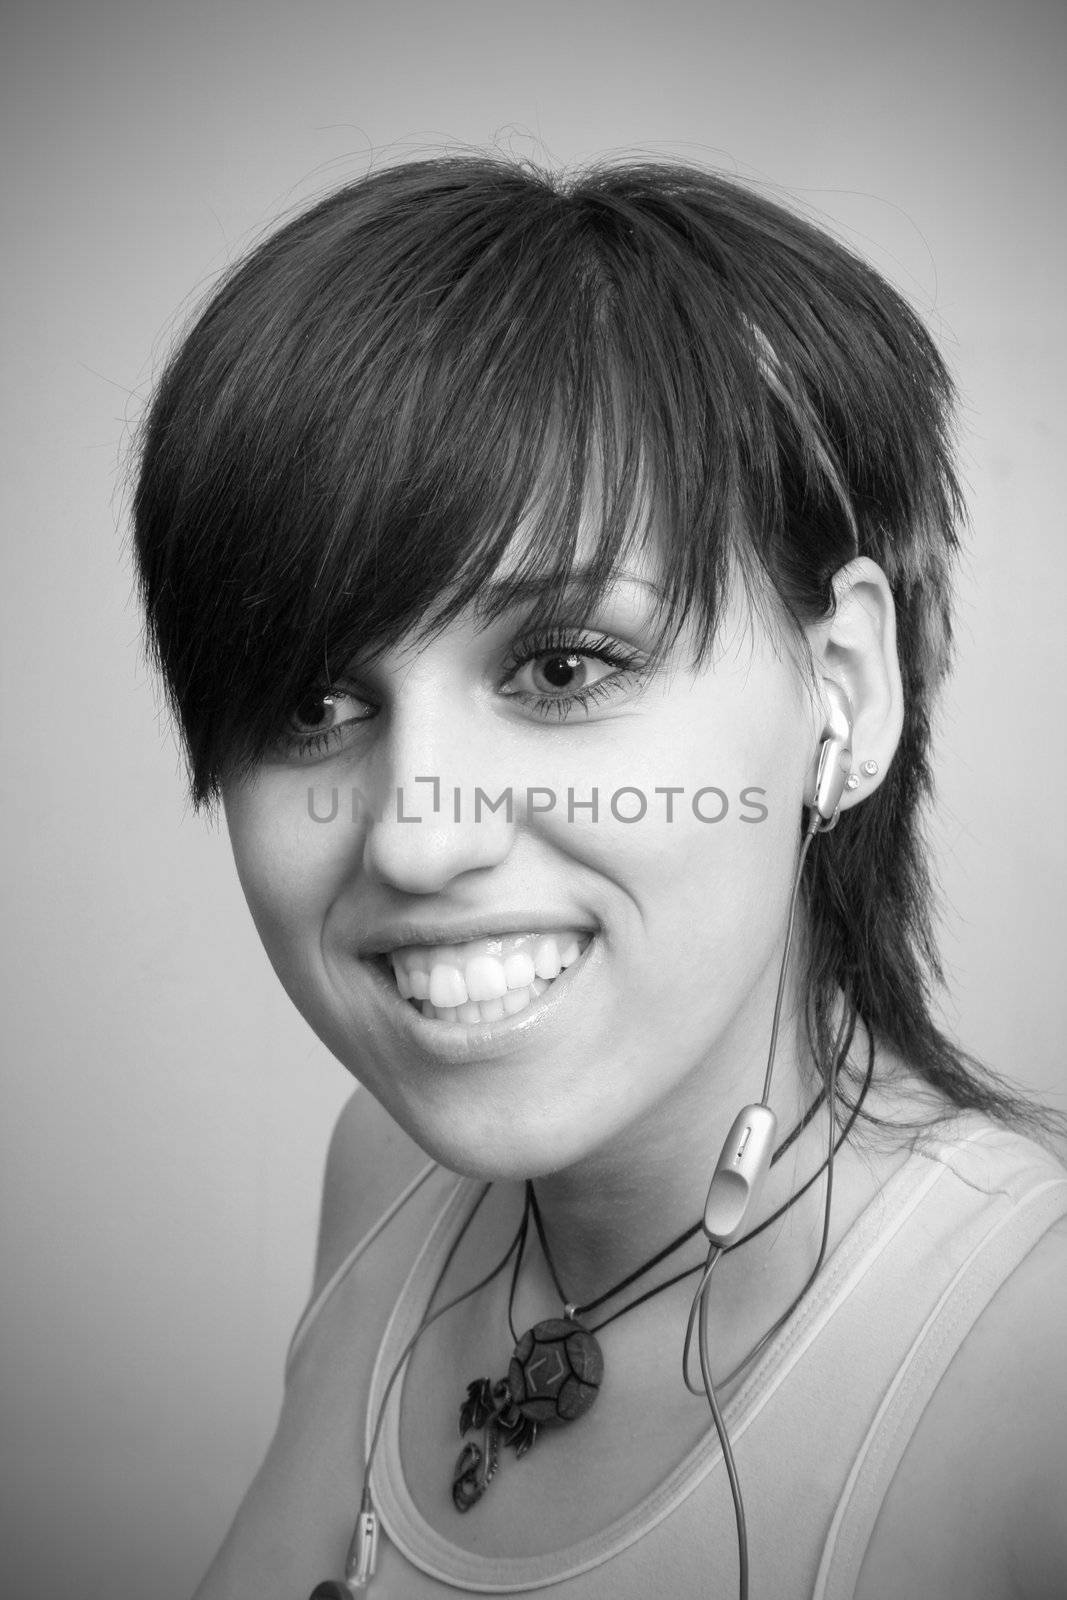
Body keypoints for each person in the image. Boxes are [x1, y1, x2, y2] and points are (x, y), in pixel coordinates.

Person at [133, 156, 1067, 1600]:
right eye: (314, 703)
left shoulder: (1036, 1363)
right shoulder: (383, 1175)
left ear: (844, 693)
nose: (414, 836)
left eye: (564, 666)